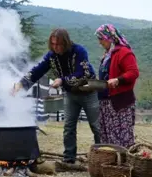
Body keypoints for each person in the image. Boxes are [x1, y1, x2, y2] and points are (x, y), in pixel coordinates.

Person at [11, 28, 100, 164]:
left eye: (58, 44)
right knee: (69, 126)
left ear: (65, 42)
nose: (55, 47)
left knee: (96, 126)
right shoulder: (51, 56)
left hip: (89, 92)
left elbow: (83, 73)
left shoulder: (79, 51)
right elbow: (38, 70)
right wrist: (21, 84)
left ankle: (102, 156)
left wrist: (62, 80)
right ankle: (69, 158)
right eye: (53, 44)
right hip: (71, 94)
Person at [95, 24, 139, 148]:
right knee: (108, 134)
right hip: (105, 102)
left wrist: (117, 80)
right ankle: (111, 162)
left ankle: (123, 162)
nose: (99, 42)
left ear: (109, 37)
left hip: (119, 102)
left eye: (101, 39)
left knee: (121, 136)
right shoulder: (108, 55)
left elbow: (133, 72)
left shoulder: (124, 52)